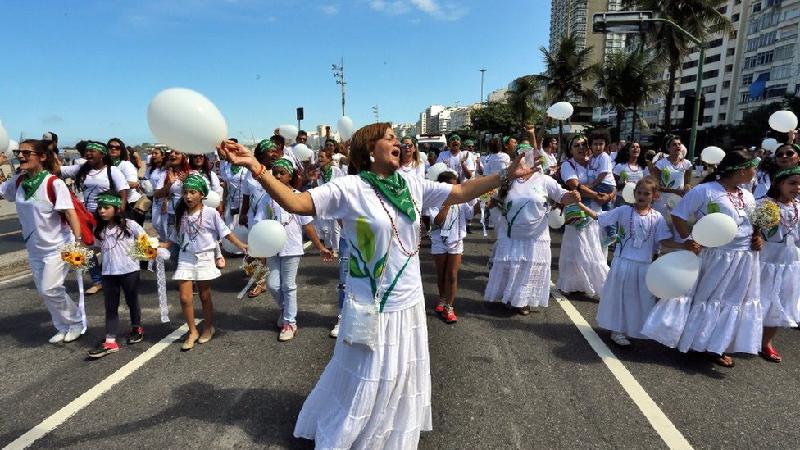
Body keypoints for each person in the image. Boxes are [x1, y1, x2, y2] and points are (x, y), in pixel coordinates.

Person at [217, 122, 535, 449]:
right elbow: (297, 204)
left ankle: (388, 434)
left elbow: (458, 192)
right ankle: (353, 434)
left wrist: (506, 174)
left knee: (399, 375)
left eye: (398, 139)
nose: (399, 143)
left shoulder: (410, 184)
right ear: (371, 150)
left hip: (408, 301)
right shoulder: (350, 188)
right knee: (366, 376)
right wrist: (256, 168)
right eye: (390, 139)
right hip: (371, 305)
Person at [642, 150, 762, 368]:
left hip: (744, 258)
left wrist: (758, 237)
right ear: (741, 170)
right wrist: (688, 238)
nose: (755, 172)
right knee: (706, 299)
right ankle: (695, 341)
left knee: (730, 301)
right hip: (713, 256)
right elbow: (679, 214)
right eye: (753, 168)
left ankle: (716, 345)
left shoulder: (748, 195)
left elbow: (752, 224)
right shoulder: (705, 191)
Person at [0, 139, 84, 344]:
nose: (20, 156)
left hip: (58, 247)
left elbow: (70, 213)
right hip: (34, 247)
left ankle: (76, 322)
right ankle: (62, 326)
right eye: (19, 152)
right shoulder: (18, 182)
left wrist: (78, 242)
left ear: (42, 157)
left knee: (50, 288)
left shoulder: (53, 183)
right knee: (44, 291)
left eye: (27, 153)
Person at [578, 177, 680, 346]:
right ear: (633, 194)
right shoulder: (624, 211)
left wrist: (683, 245)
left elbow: (664, 240)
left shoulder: (657, 217)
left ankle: (633, 328)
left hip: (644, 266)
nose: (641, 196)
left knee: (638, 298)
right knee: (619, 296)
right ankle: (616, 329)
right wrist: (580, 205)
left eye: (646, 193)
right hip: (623, 262)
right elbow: (599, 217)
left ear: (654, 196)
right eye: (639, 192)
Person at [484, 157, 579, 314]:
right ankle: (508, 296)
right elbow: (491, 198)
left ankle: (521, 301)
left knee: (529, 267)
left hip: (536, 236)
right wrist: (489, 206)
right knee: (511, 265)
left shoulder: (544, 180)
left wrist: (573, 196)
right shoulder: (508, 180)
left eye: (530, 157)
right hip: (511, 234)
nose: (526, 161)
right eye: (521, 158)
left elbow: (563, 196)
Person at [254, 158, 333, 341]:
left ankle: (290, 321)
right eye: (275, 173)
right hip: (272, 247)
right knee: (273, 285)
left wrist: (320, 246)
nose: (278, 176)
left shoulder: (298, 196)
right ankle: (285, 309)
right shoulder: (267, 197)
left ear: (290, 176)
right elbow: (259, 222)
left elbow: (308, 226)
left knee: (288, 285)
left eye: (282, 173)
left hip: (292, 247)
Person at [166, 174, 247, 351]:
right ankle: (192, 331)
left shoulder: (210, 213)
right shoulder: (181, 213)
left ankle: (208, 327)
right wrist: (153, 246)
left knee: (204, 296)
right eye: (185, 192)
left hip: (204, 257)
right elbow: (174, 237)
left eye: (192, 192)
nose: (188, 196)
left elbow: (225, 232)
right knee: (185, 297)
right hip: (186, 257)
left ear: (202, 194)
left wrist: (241, 245)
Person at [58, 141, 129, 295]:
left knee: (110, 248)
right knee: (87, 250)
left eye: (92, 151)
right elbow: (58, 170)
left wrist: (120, 213)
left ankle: (118, 276)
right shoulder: (82, 169)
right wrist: (50, 150)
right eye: (87, 152)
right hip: (87, 217)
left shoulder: (113, 171)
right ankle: (98, 281)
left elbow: (123, 191)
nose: (88, 154)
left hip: (107, 216)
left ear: (102, 154)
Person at [87, 193, 146, 358]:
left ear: (117, 208)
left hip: (129, 271)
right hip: (108, 273)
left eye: (106, 207)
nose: (102, 211)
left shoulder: (130, 225)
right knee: (110, 307)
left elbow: (144, 240)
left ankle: (136, 327)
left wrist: (140, 255)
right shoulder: (99, 229)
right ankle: (110, 340)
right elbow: (97, 248)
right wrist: (81, 255)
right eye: (99, 208)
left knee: (132, 300)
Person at [556, 135, 610, 298]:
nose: (581, 147)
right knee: (580, 249)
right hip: (578, 213)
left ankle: (595, 283)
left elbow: (609, 179)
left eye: (583, 144)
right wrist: (597, 196)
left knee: (597, 247)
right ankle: (576, 283)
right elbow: (575, 185)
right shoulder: (568, 165)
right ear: (570, 149)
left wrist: (610, 195)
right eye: (576, 145)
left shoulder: (595, 162)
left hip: (596, 212)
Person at [757, 167, 800, 362]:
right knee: (756, 298)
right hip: (765, 260)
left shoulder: (798, 206)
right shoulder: (766, 205)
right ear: (779, 184)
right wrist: (756, 236)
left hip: (789, 261)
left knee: (779, 301)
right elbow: (753, 229)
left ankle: (766, 342)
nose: (797, 187)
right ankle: (744, 337)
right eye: (792, 183)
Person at [430, 171, 478, 323]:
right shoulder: (433, 200)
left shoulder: (462, 200)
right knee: (441, 274)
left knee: (452, 275)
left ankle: (449, 307)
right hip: (439, 241)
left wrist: (482, 203)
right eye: (452, 185)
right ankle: (442, 298)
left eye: (456, 184)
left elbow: (470, 215)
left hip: (456, 241)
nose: (456, 188)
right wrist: (448, 203)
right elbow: (437, 222)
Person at [651, 136, 692, 220]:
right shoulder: (660, 164)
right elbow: (657, 186)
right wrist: (674, 191)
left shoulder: (687, 164)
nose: (677, 146)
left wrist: (687, 187)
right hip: (662, 201)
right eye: (674, 144)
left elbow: (687, 183)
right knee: (659, 225)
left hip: (678, 200)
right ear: (668, 148)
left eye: (679, 144)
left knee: (676, 227)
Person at [107, 138, 145, 225]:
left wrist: (109, 185)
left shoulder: (125, 165)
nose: (113, 149)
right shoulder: (106, 165)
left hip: (130, 205)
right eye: (111, 147)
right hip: (113, 204)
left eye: (117, 148)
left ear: (122, 150)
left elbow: (134, 184)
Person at [145, 146, 169, 241]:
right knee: (156, 224)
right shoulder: (151, 168)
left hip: (165, 198)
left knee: (165, 224)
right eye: (152, 153)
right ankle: (164, 240)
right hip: (155, 198)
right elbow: (145, 180)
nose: (153, 155)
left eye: (156, 153)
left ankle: (169, 244)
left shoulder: (167, 169)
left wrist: (166, 201)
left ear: (163, 156)